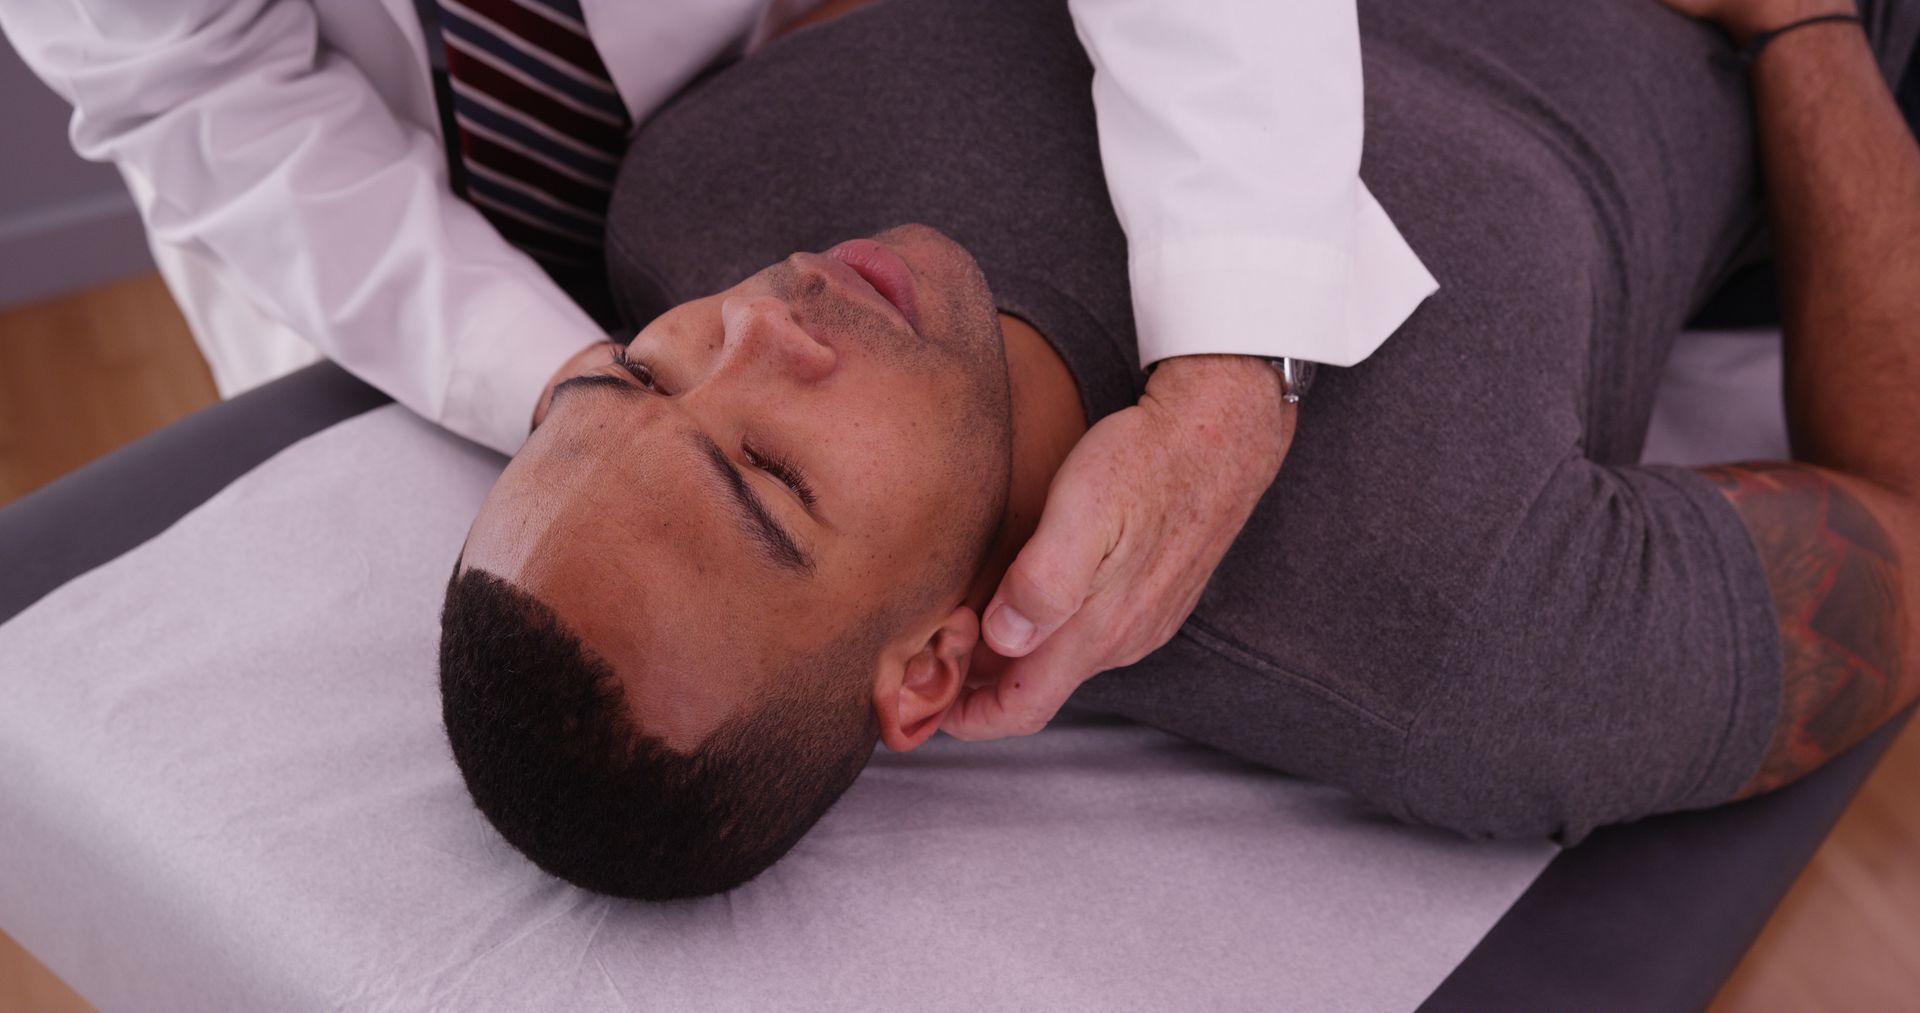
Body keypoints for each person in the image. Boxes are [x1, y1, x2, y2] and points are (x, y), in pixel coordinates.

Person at [455, 0, 1920, 902]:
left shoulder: (699, 191)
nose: (761, 324)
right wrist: (1801, 22)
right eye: (773, 473)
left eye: (641, 373)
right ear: (926, 671)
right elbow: (1902, 519)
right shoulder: (1457, 633)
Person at [1, 0, 1432, 722]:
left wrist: (1238, 354)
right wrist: (582, 399)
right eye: (756, 466)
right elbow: (197, 87)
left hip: (772, 72)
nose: (752, 324)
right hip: (375, 249)